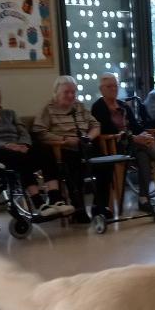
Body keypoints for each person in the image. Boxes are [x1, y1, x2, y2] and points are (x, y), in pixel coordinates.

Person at [0, 81, 72, 218]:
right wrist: (6, 145)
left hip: (19, 147)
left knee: (46, 150)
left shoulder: (10, 114)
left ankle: (55, 199)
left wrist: (23, 144)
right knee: (19, 157)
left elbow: (23, 132)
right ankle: (39, 203)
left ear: (0, 100)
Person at [90, 73, 155, 214]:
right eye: (109, 86)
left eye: (115, 86)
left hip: (132, 145)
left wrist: (143, 135)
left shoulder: (123, 105)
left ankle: (144, 198)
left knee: (143, 151)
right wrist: (134, 138)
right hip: (113, 146)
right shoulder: (98, 107)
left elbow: (136, 127)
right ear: (101, 89)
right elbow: (107, 130)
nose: (113, 89)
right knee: (143, 146)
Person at [33, 75, 107, 222]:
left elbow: (96, 125)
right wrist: (64, 140)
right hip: (63, 149)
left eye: (73, 92)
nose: (71, 95)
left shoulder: (79, 106)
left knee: (104, 164)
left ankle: (99, 206)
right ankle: (78, 209)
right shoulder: (48, 109)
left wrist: (88, 138)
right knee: (75, 165)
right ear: (56, 92)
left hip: (84, 145)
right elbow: (39, 132)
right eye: (66, 92)